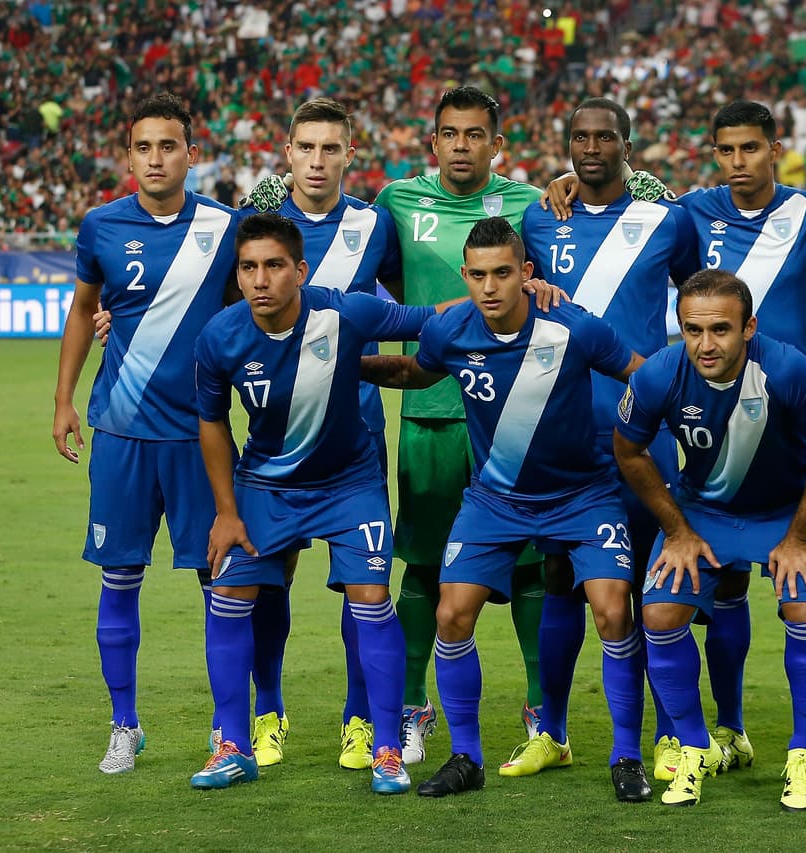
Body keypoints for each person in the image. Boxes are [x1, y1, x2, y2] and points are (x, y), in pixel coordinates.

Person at [544, 98, 806, 782]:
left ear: (775, 148)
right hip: (710, 425)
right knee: (721, 585)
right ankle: (722, 731)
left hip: (793, 419)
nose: (739, 163)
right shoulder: (690, 214)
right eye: (726, 150)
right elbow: (621, 202)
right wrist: (558, 184)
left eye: (752, 149)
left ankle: (804, 734)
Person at [360, 217, 651, 803]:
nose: (490, 287)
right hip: (495, 500)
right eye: (478, 275)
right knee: (451, 615)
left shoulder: (572, 327)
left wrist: (639, 441)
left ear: (526, 274)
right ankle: (466, 756)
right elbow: (416, 372)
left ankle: (627, 756)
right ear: (464, 277)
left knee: (613, 611)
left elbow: (645, 376)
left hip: (584, 496)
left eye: (502, 273)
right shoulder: (451, 330)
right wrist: (343, 364)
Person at [189, 212, 437, 793]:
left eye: (274, 266)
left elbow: (429, 320)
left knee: (371, 598)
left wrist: (516, 298)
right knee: (227, 591)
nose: (260, 280)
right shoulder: (221, 336)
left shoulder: (345, 312)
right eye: (249, 267)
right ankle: (231, 743)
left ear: (299, 270)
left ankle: (385, 748)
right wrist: (226, 511)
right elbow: (211, 423)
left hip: (350, 484)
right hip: (266, 484)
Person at [52, 92, 239, 774]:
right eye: (143, 147)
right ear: (128, 156)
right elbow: (83, 310)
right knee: (119, 576)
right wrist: (63, 399)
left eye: (169, 146)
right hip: (123, 434)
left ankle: (227, 731)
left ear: (192, 155)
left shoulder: (227, 226)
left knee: (220, 585)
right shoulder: (101, 224)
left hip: (201, 438)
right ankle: (124, 724)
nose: (155, 158)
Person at [513, 96, 698, 781]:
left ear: (627, 142)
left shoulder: (664, 220)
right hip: (562, 434)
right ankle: (552, 730)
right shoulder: (538, 216)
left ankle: (670, 734)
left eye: (605, 137)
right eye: (580, 137)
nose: (591, 148)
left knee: (655, 586)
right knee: (562, 581)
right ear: (566, 144)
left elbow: (696, 293)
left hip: (642, 433)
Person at [614, 269, 806, 810]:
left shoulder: (788, 370)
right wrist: (676, 530)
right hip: (703, 511)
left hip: (787, 513)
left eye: (720, 329)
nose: (705, 344)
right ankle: (696, 746)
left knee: (805, 611)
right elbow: (628, 449)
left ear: (749, 328)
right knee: (661, 614)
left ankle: (804, 751)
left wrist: (799, 536)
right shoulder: (659, 376)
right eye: (693, 330)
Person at [372, 88, 547, 764]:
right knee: (422, 564)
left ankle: (542, 707)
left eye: (476, 134)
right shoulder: (397, 201)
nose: (463, 145)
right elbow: (361, 263)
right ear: (432, 142)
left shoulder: (533, 204)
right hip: (432, 414)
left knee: (531, 567)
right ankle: (415, 705)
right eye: (452, 133)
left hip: (515, 415)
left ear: (496, 141)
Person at [257, 96, 404, 772]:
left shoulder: (377, 225)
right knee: (267, 580)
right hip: (276, 446)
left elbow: (405, 303)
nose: (318, 161)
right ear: (288, 153)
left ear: (350, 155)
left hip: (356, 440)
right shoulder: (258, 230)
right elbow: (219, 313)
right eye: (306, 148)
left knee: (362, 585)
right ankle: (267, 710)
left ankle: (359, 717)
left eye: (331, 149)